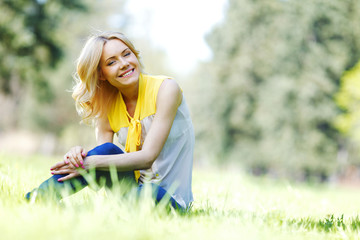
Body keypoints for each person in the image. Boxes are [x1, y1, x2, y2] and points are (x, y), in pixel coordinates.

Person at [26, 31, 195, 211]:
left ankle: (121, 207)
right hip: (133, 191)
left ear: (135, 55)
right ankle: (37, 198)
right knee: (106, 151)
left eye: (126, 54)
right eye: (111, 62)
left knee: (148, 192)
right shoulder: (107, 108)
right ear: (101, 74)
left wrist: (90, 163)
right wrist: (79, 157)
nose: (124, 64)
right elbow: (102, 167)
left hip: (170, 199)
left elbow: (147, 158)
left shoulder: (166, 89)